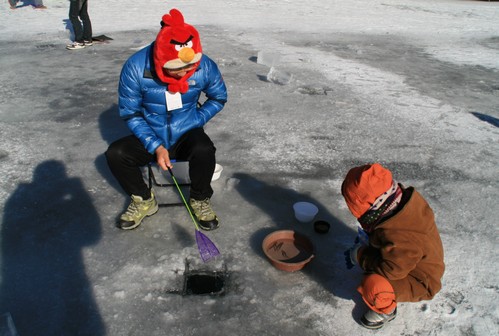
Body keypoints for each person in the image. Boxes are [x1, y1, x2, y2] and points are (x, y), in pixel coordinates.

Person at [105, 8, 227, 231]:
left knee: (204, 149)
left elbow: (219, 97)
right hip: (151, 132)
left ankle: (200, 199)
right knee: (116, 154)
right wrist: (156, 145)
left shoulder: (205, 65)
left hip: (186, 130)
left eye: (190, 67)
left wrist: (196, 119)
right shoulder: (135, 67)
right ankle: (144, 199)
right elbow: (130, 113)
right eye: (177, 69)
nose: (185, 73)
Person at [341, 163, 445, 329]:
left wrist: (361, 256)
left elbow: (392, 269)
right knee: (376, 245)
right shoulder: (399, 204)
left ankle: (386, 310)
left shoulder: (401, 236)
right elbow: (395, 242)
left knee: (373, 285)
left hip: (420, 280)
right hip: (408, 260)